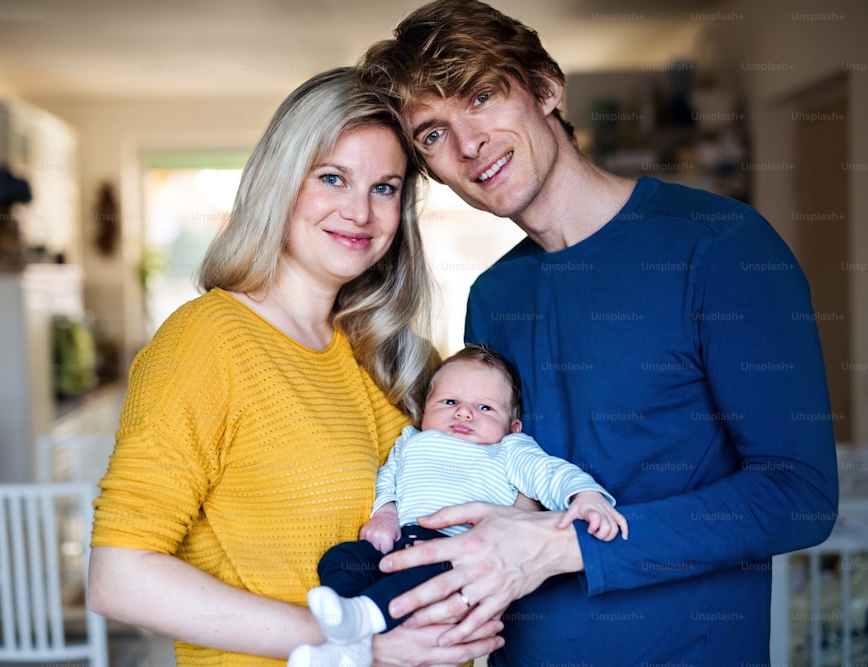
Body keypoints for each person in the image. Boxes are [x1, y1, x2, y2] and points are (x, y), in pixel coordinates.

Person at [354, 1, 840, 665]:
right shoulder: (494, 296)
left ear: (547, 87)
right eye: (432, 134)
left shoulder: (720, 246)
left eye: (483, 95)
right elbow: (499, 480)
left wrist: (563, 543)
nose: (468, 144)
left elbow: (798, 493)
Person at [87, 67, 503, 666]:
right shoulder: (205, 342)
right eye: (333, 178)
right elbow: (119, 574)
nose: (359, 212)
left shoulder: (396, 353)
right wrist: (361, 644)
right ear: (280, 184)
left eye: (384, 188)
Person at [289, 344, 627, 667]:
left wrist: (585, 496)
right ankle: (348, 631)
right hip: (398, 544)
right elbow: (387, 479)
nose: (464, 412)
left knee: (423, 577)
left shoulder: (509, 450)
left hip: (459, 555)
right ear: (424, 413)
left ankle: (358, 622)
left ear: (513, 427)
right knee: (343, 558)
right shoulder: (412, 442)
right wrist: (385, 514)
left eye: (485, 408)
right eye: (449, 401)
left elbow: (551, 473)